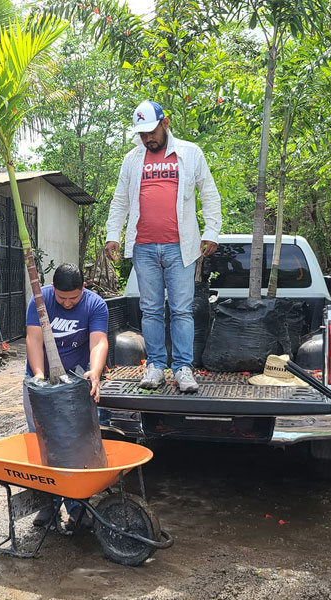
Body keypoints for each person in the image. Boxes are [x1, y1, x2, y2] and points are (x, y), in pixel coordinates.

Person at [105, 100, 222, 392]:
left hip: (180, 247)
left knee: (181, 310)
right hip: (143, 247)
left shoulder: (190, 153)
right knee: (151, 310)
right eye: (142, 134)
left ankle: (183, 368)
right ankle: (156, 365)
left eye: (152, 132)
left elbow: (209, 193)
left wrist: (212, 231)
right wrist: (113, 234)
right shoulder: (132, 159)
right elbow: (120, 200)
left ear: (165, 123)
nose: (148, 138)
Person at [22, 264, 109, 530]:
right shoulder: (40, 301)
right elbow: (33, 340)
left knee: (75, 446)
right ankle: (48, 504)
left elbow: (99, 341)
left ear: (83, 288)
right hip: (41, 382)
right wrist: (39, 376)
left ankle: (77, 505)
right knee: (44, 444)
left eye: (73, 298)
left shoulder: (95, 305)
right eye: (62, 298)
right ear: (53, 289)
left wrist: (95, 372)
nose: (67, 303)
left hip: (75, 385)